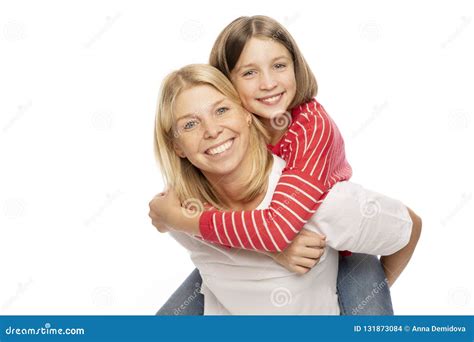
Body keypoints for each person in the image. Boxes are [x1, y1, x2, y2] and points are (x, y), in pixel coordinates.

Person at [151, 16, 420, 315]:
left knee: (368, 314)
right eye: (250, 72)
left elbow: (278, 229)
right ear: (226, 83)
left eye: (279, 65)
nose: (268, 84)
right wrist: (168, 214)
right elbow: (175, 197)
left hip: (343, 248)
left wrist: (180, 220)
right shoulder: (232, 130)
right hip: (256, 238)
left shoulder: (312, 130)